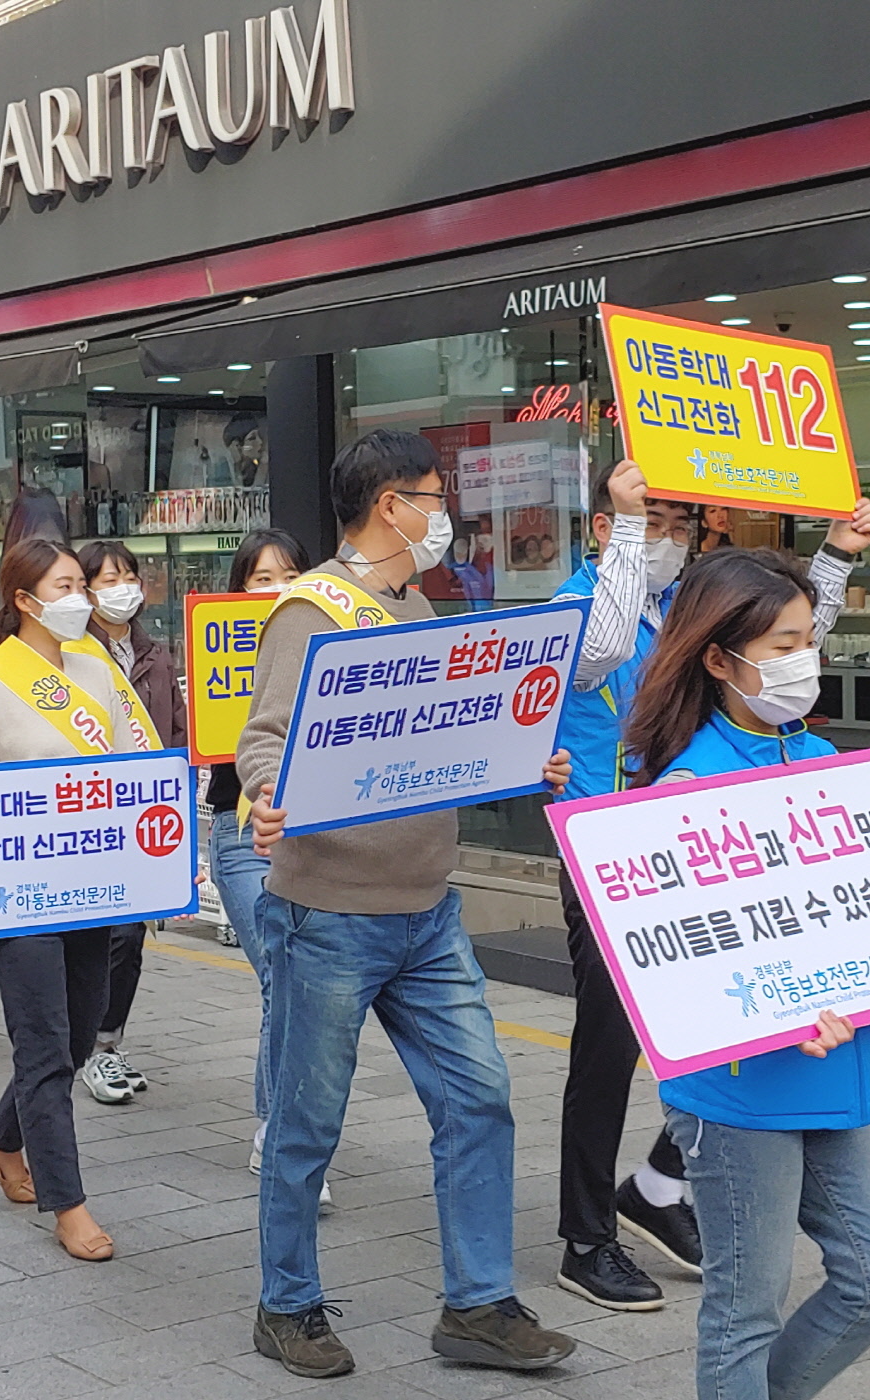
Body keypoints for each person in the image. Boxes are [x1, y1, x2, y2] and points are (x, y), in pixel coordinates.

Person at [619, 547, 870, 1400]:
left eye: (807, 640)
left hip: (836, 1075)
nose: (803, 661)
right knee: (744, 1311)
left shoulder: (826, 760)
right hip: (740, 1093)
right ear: (720, 660)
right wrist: (772, 1010)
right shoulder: (686, 787)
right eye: (782, 645)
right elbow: (671, 969)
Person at [239, 429, 578, 1378]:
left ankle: (477, 1305)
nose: (446, 512)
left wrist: (523, 758)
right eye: (435, 494)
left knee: (478, 1101)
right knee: (308, 1122)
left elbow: (444, 737)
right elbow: (264, 738)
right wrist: (268, 796)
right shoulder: (310, 614)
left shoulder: (416, 603)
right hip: (330, 914)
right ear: (392, 504)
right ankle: (286, 1305)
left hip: (428, 911)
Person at [550, 462, 870, 1312]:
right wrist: (626, 524)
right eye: (646, 521)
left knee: (736, 1017)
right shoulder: (576, 612)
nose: (664, 536)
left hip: (719, 847)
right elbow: (607, 649)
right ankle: (586, 1238)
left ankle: (656, 1186)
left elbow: (782, 644)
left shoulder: (681, 615)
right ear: (601, 529)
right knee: (613, 1049)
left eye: (672, 524)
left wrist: (833, 557)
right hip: (617, 859)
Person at [0, 536, 144, 1263]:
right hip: (17, 897)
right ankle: (69, 1203)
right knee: (42, 1046)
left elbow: (132, 775)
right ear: (25, 601)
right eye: (64, 587)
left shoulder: (97, 674)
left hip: (89, 886)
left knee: (76, 1032)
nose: (81, 600)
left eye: (82, 586)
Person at [204, 530, 315, 1186]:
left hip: (311, 838)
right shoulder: (217, 651)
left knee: (296, 978)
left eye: (289, 574)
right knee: (278, 969)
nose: (275, 589)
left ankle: (287, 1125)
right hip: (242, 836)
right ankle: (279, 1127)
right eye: (261, 578)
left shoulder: (324, 644)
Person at [74, 539, 188, 1106]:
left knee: (132, 938)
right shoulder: (70, 655)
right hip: (94, 812)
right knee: (108, 935)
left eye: (128, 576)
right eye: (106, 578)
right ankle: (94, 1046)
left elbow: (175, 726)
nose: (121, 588)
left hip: (148, 815)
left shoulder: (156, 653)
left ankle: (107, 1041)